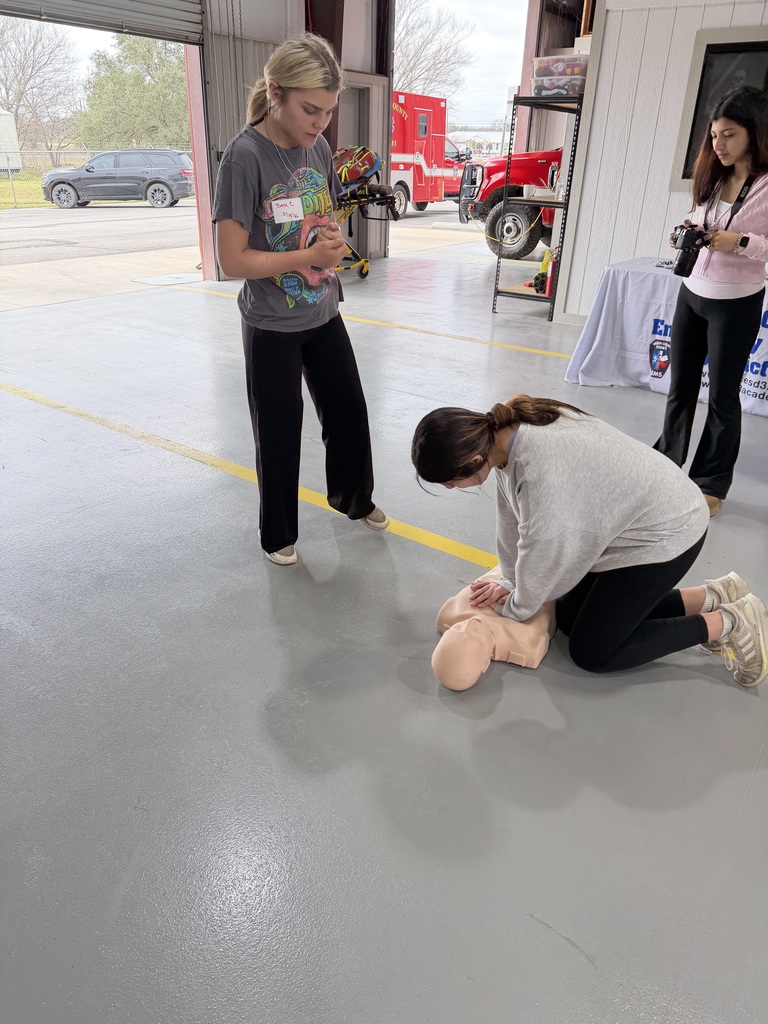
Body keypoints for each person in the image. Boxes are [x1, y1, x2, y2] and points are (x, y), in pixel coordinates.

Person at [411, 395, 768, 686]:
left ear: (473, 459)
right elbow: (511, 519)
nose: (449, 489)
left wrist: (516, 606)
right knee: (568, 615)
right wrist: (509, 579)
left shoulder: (541, 471)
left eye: (448, 482)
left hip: (669, 534)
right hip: (641, 522)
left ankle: (732, 621)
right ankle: (712, 596)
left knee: (594, 653)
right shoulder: (505, 433)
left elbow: (546, 550)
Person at [213, 33, 388, 565]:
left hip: (322, 311)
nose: (320, 123)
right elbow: (232, 261)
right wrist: (305, 258)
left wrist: (332, 242)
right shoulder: (244, 160)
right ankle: (278, 535)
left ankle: (355, 500)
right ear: (275, 93)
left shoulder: (317, 147)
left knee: (349, 415)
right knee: (280, 431)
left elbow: (323, 215)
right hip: (271, 323)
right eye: (311, 109)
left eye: (328, 112)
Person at [655, 86, 768, 518]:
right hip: (693, 293)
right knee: (679, 388)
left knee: (722, 397)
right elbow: (706, 219)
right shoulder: (714, 174)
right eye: (714, 135)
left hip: (736, 301)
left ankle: (711, 483)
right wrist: (689, 229)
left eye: (729, 135)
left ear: (754, 133)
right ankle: (667, 463)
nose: (718, 145)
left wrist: (738, 242)